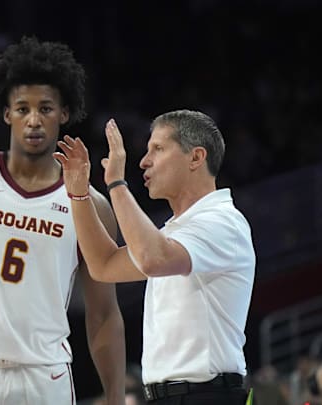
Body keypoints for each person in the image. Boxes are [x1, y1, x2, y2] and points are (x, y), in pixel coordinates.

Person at [0, 36, 126, 405]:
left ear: (64, 113)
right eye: (22, 109)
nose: (34, 120)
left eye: (46, 108)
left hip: (43, 373)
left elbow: (103, 313)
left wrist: (115, 395)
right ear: (7, 114)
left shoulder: (90, 204)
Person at [54, 109, 255, 404]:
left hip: (206, 395)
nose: (143, 161)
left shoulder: (223, 222)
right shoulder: (178, 231)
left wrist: (116, 185)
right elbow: (104, 266)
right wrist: (79, 194)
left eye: (158, 149)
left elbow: (152, 258)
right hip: (170, 395)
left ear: (196, 157)